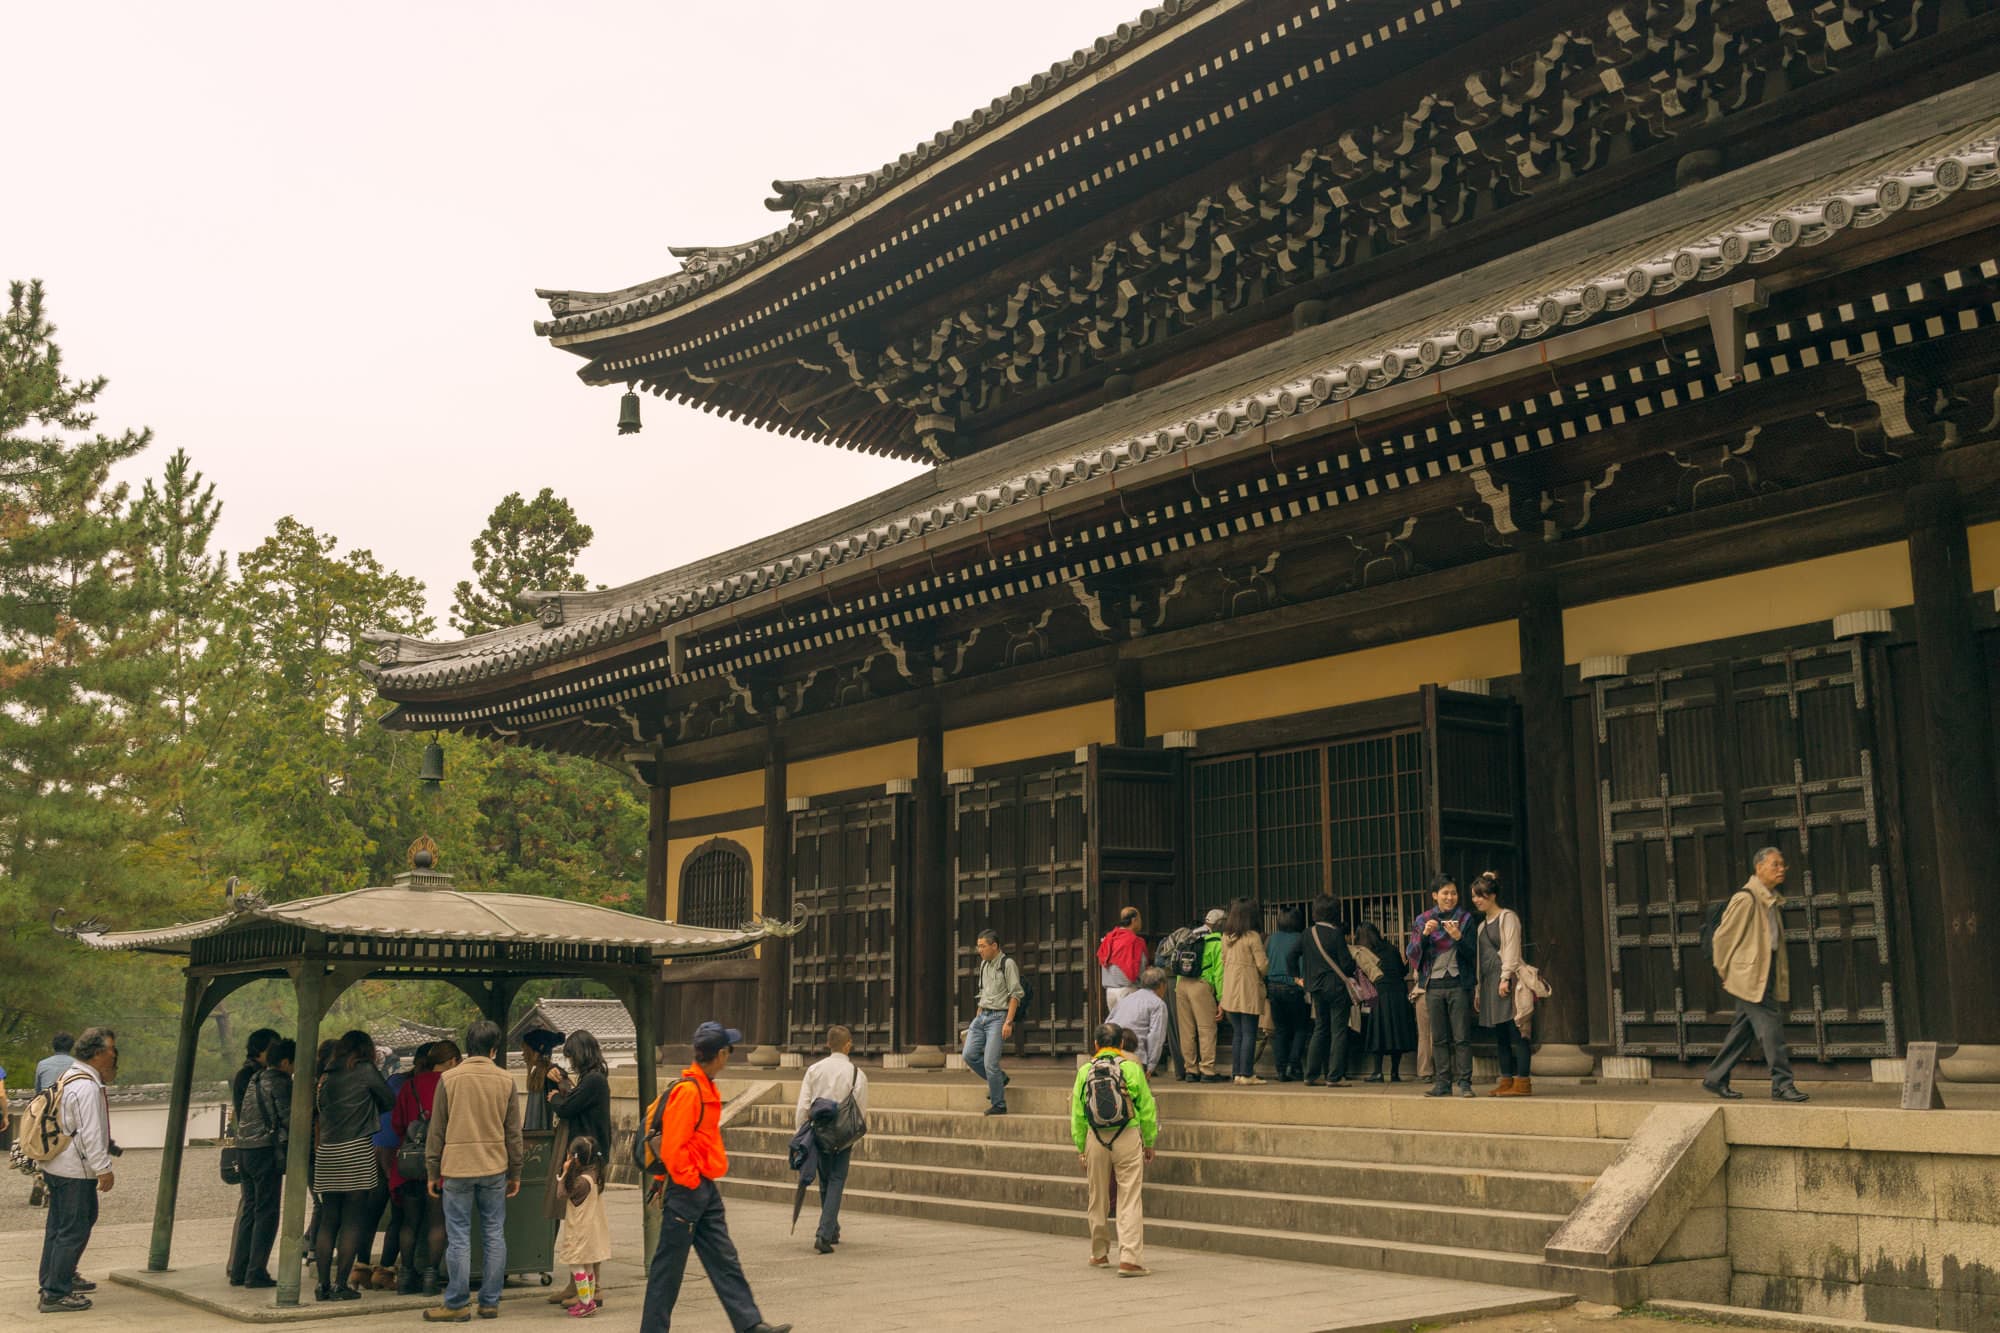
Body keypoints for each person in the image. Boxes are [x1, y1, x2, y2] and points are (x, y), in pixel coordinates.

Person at [639, 1020, 790, 1333]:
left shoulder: (703, 1086)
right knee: (667, 1271)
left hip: (702, 1187)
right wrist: (688, 1181)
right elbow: (672, 1147)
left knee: (725, 1260)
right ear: (720, 1053)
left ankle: (749, 1324)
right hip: (687, 1189)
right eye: (729, 1050)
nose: (730, 1055)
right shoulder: (689, 1092)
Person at [423, 1020, 523, 1323]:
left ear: (468, 1047)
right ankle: (490, 1302)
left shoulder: (450, 1079)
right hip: (494, 1166)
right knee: (494, 1233)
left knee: (459, 1236)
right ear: (495, 1049)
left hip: (457, 1168)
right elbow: (513, 1133)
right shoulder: (506, 1080)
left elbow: (436, 1129)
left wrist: (431, 1169)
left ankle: (456, 1303)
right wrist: (516, 1170)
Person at [1703, 847, 1808, 1104]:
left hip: (1762, 970)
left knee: (1744, 1029)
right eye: (1775, 864)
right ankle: (1782, 1084)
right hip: (1750, 975)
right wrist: (1728, 971)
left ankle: (1715, 1078)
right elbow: (1723, 938)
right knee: (1771, 1028)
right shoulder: (1747, 899)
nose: (1782, 869)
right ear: (1759, 868)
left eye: (1783, 865)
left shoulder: (1770, 898)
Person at [37, 1026, 116, 1315]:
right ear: (97, 1053)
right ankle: (56, 1292)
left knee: (59, 1227)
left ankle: (52, 1279)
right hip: (75, 1168)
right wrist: (103, 1168)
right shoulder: (86, 1085)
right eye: (111, 1050)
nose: (114, 1055)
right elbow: (89, 1133)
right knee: (74, 1228)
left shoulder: (69, 1075)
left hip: (58, 1164)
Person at [1071, 1022, 1158, 1278]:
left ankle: (1099, 1253)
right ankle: (1130, 1258)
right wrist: (1149, 1140)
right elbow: (1148, 1107)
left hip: (1095, 1137)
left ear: (1095, 1045)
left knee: (1097, 1196)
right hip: (1127, 1134)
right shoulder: (1132, 1068)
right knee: (1129, 1195)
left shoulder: (1085, 1070)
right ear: (1121, 1044)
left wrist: (1081, 1147)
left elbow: (1077, 1113)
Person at [311, 1030, 392, 1300]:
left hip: (327, 1151)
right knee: (353, 1220)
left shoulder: (326, 1075)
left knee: (329, 1218)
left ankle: (322, 1284)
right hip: (356, 1148)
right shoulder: (364, 1069)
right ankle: (341, 1284)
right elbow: (388, 1099)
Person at [545, 1030, 612, 1306]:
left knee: (585, 1224)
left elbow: (568, 1107)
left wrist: (555, 1098)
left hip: (590, 1160)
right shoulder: (593, 1078)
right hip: (586, 1156)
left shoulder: (594, 1080)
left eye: (571, 1055)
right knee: (580, 1221)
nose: (570, 1060)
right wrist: (564, 1084)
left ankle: (592, 1290)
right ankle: (576, 1286)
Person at [795, 1024, 868, 1255]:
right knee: (837, 1179)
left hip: (819, 1131)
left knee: (826, 1179)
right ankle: (824, 1233)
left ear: (828, 1044)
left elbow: (803, 1105)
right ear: (848, 1045)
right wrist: (856, 1134)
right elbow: (860, 1109)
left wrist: (800, 1132)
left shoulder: (814, 1070)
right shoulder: (857, 1074)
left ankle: (832, 1228)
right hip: (844, 1134)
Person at [392, 1041, 458, 1296]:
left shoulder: (410, 1085)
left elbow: (398, 1124)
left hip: (409, 1164)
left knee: (409, 1223)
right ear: (451, 1060)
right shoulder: (452, 1084)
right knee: (436, 1222)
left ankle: (406, 1275)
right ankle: (431, 1276)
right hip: (440, 1162)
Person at [227, 1037, 294, 1289]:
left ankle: (239, 1270)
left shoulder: (255, 1078)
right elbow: (289, 1117)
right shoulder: (279, 1081)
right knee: (267, 1212)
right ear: (285, 1061)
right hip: (265, 1150)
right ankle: (256, 1272)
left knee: (250, 1210)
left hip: (244, 1149)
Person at [1409, 874, 1477, 1098]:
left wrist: (1457, 936)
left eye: (1454, 893)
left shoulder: (1465, 919)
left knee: (1461, 1036)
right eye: (1445, 893)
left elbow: (1472, 953)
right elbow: (1413, 953)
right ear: (1435, 896)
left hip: (1458, 983)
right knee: (1438, 1038)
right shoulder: (1423, 921)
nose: (1450, 897)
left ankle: (1465, 1082)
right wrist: (1426, 935)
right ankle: (1442, 1083)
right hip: (1433, 985)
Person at [1470, 872, 1532, 1097]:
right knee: (1500, 1035)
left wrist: (1505, 977)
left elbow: (1512, 949)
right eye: (1475, 896)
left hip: (1507, 980)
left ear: (1493, 895)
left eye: (1481, 895)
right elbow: (1480, 960)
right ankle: (1506, 1080)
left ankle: (1523, 1082)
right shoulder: (1480, 926)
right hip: (1489, 982)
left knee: (1517, 1031)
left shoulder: (1508, 917)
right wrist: (1479, 989)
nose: (1477, 900)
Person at [1298, 898, 1358, 1087]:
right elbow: (1346, 964)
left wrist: (1298, 977)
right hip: (1337, 988)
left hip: (1315, 987)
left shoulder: (1307, 933)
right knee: (1338, 1030)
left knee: (1320, 1029)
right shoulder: (1336, 934)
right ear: (1334, 913)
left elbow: (1291, 955)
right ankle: (1334, 1076)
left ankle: (1311, 1074)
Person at [963, 929, 1024, 1116]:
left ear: (994, 946)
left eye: (982, 946)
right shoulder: (984, 965)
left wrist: (1009, 1022)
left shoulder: (1007, 964)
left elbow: (1015, 994)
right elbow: (983, 994)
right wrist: (975, 1021)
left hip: (999, 1017)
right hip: (982, 1016)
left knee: (990, 1062)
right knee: (969, 1055)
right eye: (978, 946)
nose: (979, 950)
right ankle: (1000, 1079)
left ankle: (999, 1104)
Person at [555, 1136, 611, 1318]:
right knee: (588, 1267)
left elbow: (561, 1193)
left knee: (576, 1266)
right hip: (590, 1230)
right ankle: (588, 1301)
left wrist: (564, 1174)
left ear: (576, 1158)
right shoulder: (595, 1175)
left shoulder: (580, 1182)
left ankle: (585, 1303)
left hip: (579, 1231)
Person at [1355, 923, 1417, 1082]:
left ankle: (1377, 1072)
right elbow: (1402, 971)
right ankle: (1395, 1072)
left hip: (1379, 995)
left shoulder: (1365, 953)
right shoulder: (1391, 949)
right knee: (1397, 1034)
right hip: (1398, 994)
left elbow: (1363, 977)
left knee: (1378, 1034)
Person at [1172, 908, 1226, 1083]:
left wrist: (1179, 985)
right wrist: (1221, 998)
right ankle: (1207, 1070)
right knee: (1206, 1029)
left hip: (1182, 984)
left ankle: (1190, 1070)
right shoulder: (1217, 942)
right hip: (1201, 985)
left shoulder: (1189, 937)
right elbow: (1219, 974)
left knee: (1186, 1030)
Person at [1218, 900, 1269, 1086]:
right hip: (1248, 989)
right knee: (1249, 1032)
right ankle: (1247, 1073)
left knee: (1237, 1033)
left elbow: (1223, 960)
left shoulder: (1226, 936)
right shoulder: (1253, 936)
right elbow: (1262, 965)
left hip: (1230, 989)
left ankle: (1237, 1072)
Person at [1265, 907, 1310, 1082]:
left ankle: (1281, 1069)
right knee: (1300, 1028)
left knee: (1281, 1029)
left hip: (1273, 987)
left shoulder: (1271, 939)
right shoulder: (1301, 939)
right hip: (1294, 986)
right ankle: (1293, 1064)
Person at [1106, 968, 1171, 1075]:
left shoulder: (1126, 999)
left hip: (1111, 1055)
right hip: (1135, 1058)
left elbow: (1108, 1023)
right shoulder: (1158, 1004)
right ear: (1162, 985)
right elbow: (1156, 1036)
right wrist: (1151, 1066)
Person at [1096, 907, 1148, 1011]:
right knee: (1130, 1025)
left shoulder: (1109, 938)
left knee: (1116, 1026)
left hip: (1110, 991)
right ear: (1134, 920)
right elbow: (1141, 967)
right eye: (1140, 919)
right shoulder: (1135, 941)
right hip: (1128, 991)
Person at [519, 1028, 564, 1134]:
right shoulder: (537, 1074)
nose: (523, 1054)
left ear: (537, 1052)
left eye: (526, 1050)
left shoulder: (552, 1074)